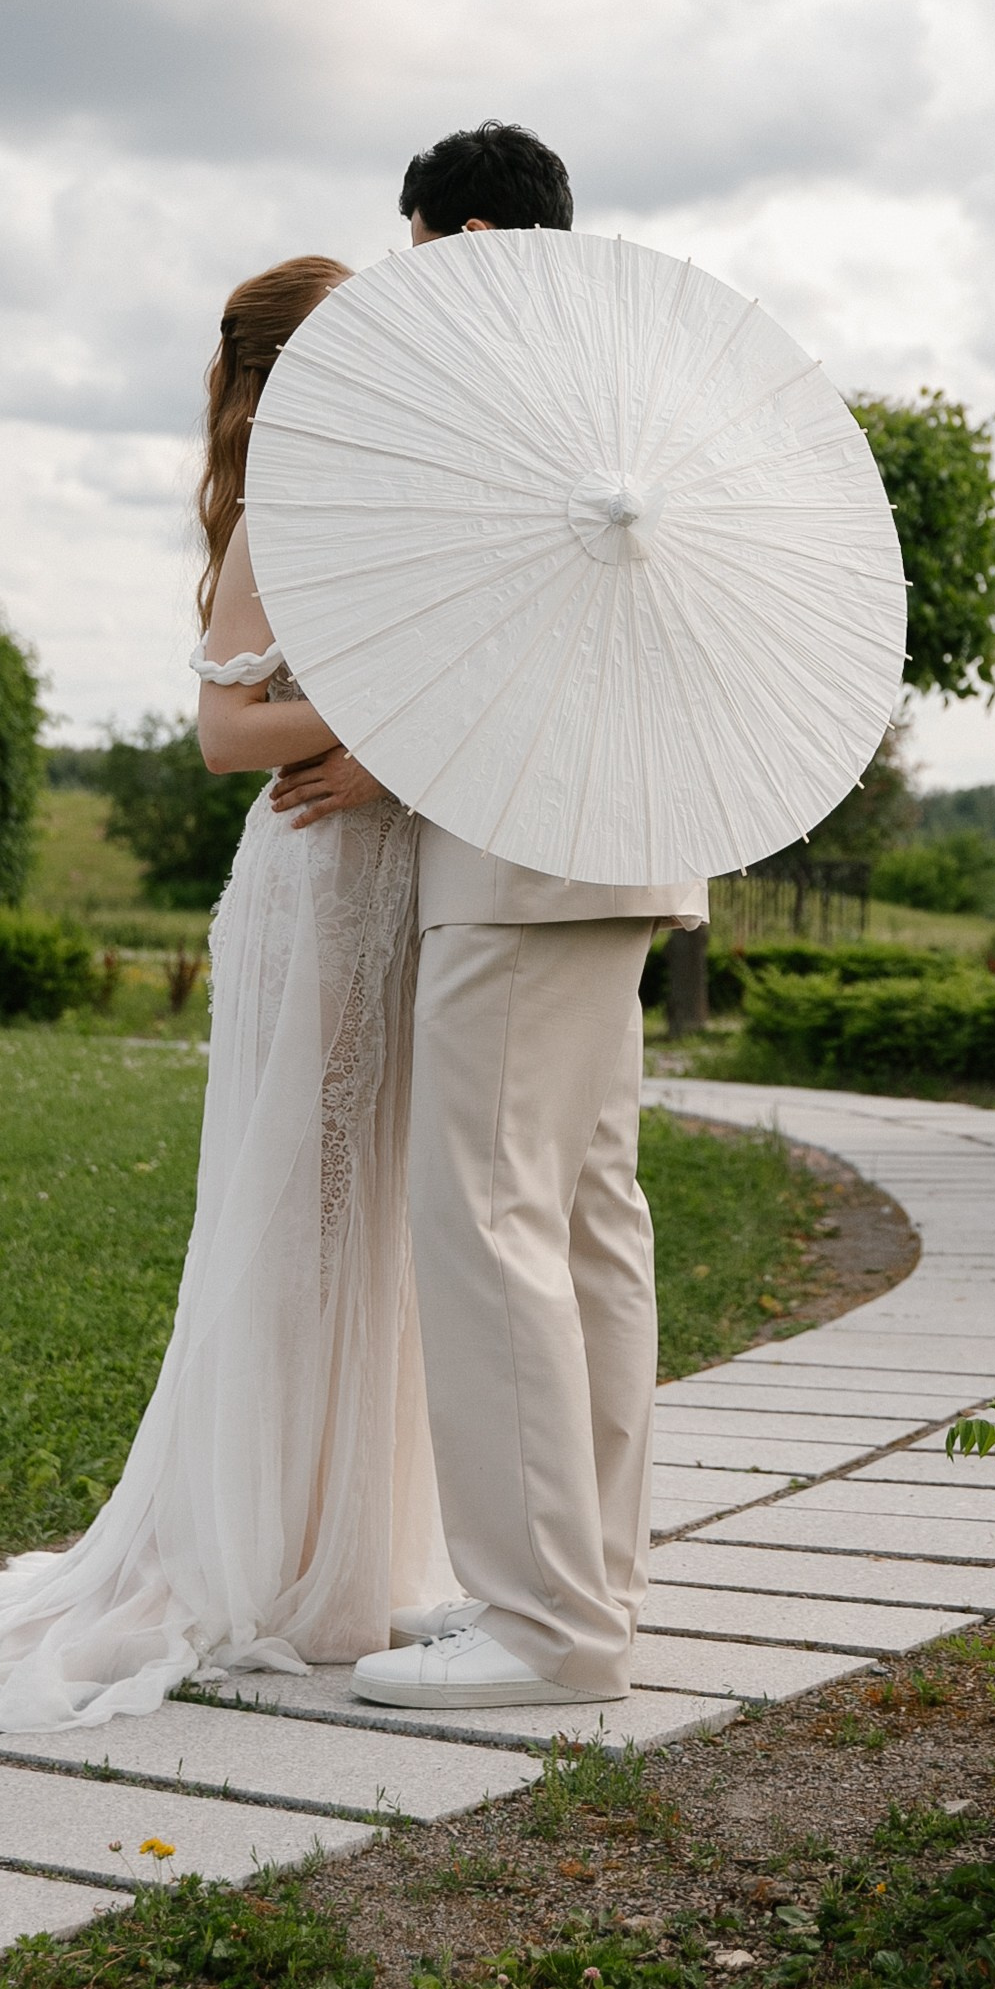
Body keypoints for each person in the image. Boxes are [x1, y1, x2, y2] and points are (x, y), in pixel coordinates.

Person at [0, 255, 453, 1734]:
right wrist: (394, 712)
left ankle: (354, 1549)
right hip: (313, 889)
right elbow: (222, 732)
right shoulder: (275, 516)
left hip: (396, 885)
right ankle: (251, 1542)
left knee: (373, 1208)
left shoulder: (393, 513)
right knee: (294, 1206)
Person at [270, 123, 708, 1712]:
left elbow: (507, 614)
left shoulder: (509, 385)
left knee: (491, 1219)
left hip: (522, 857)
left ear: (457, 234)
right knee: (593, 1222)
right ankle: (590, 1590)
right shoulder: (631, 381)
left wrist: (389, 752)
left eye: (410, 249)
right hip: (627, 847)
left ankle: (546, 1625)